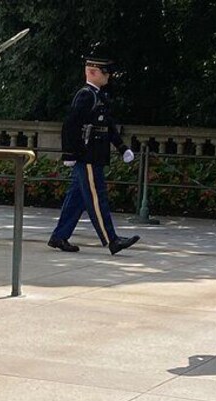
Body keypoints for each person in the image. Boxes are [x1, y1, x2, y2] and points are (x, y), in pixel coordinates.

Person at [49, 55, 140, 256]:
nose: (108, 76)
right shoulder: (86, 96)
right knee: (97, 198)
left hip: (94, 156)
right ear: (91, 72)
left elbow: (108, 126)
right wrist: (69, 154)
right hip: (87, 156)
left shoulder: (98, 96)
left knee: (77, 199)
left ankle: (59, 236)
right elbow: (70, 125)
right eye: (104, 72)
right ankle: (112, 240)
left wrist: (122, 147)